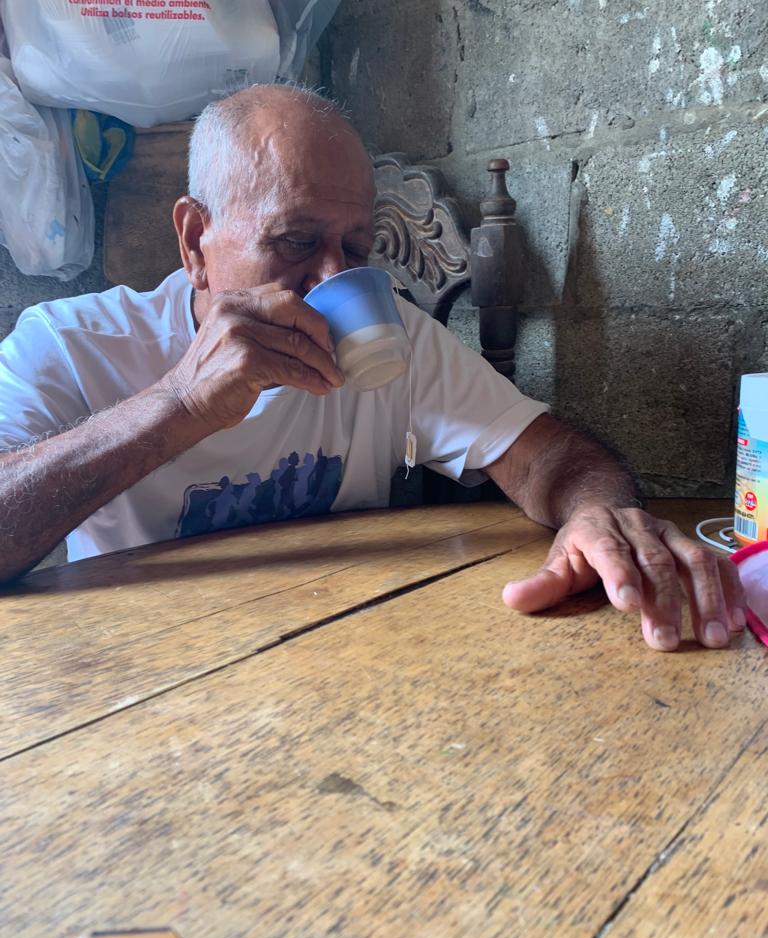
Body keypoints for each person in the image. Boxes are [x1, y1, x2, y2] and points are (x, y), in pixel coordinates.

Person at [0, 84, 745, 652]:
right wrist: (183, 403)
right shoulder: (70, 345)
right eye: (295, 241)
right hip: (148, 668)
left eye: (356, 249)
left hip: (356, 654)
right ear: (196, 240)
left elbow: (552, 456)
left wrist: (596, 514)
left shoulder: (394, 340)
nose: (333, 279)